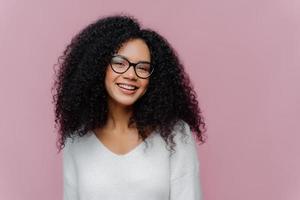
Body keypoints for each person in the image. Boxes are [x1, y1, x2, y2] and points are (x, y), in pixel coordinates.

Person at [52, 14, 207, 200]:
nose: (131, 75)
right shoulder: (76, 138)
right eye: (119, 63)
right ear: (98, 66)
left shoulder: (176, 135)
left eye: (142, 68)